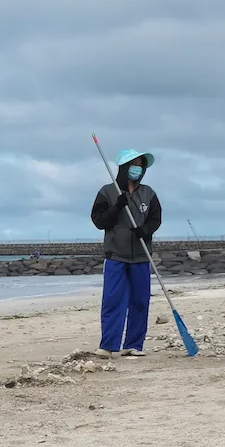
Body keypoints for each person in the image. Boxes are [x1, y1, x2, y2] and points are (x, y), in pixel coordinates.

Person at [90, 149, 162, 359]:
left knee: (140, 301)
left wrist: (145, 230)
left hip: (141, 256)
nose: (137, 169)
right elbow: (99, 220)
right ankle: (109, 345)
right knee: (113, 301)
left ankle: (133, 344)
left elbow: (155, 219)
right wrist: (116, 207)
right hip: (116, 255)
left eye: (140, 165)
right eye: (133, 164)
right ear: (123, 167)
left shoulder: (149, 193)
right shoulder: (107, 192)